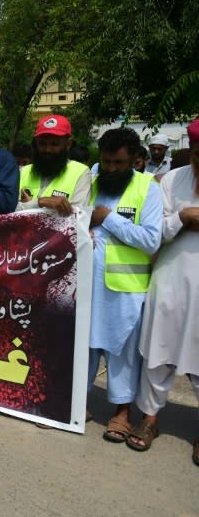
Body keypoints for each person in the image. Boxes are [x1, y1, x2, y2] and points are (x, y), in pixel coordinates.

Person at [127, 119, 199, 461]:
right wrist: (184, 218)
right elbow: (157, 232)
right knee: (159, 350)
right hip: (170, 277)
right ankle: (150, 418)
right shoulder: (172, 179)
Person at [87, 127, 162, 443]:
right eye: (106, 162)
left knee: (123, 352)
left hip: (126, 288)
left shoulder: (149, 188)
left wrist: (108, 219)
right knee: (84, 347)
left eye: (119, 163)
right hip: (86, 282)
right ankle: (76, 401)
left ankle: (121, 412)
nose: (111, 169)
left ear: (135, 159)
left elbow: (150, 239)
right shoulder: (91, 181)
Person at [18, 115, 91, 216]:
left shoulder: (81, 172)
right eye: (42, 144)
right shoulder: (23, 172)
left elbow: (78, 216)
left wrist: (28, 207)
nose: (47, 149)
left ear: (68, 144)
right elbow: (8, 209)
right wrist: (39, 202)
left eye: (54, 144)